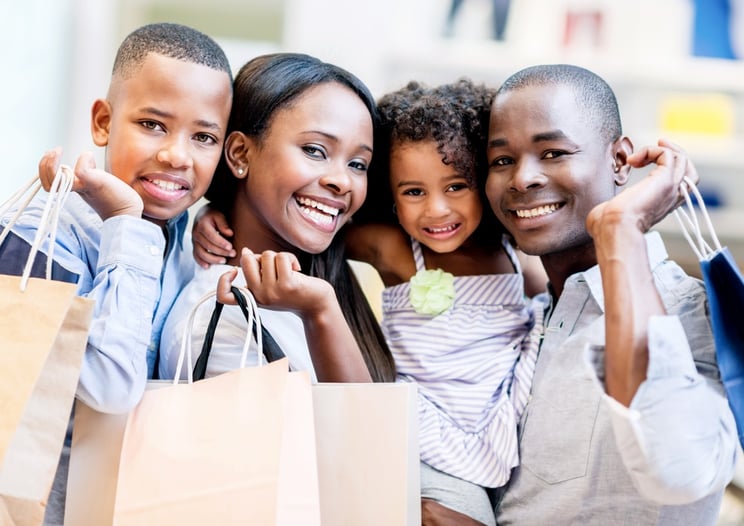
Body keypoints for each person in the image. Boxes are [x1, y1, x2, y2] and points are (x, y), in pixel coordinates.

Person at [191, 77, 546, 525]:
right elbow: (314, 218)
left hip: (494, 430)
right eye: (414, 192)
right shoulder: (394, 248)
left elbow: (545, 308)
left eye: (456, 186)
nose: (437, 210)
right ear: (393, 198)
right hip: (423, 430)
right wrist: (212, 211)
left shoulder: (516, 255)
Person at [421, 64, 738, 525]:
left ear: (619, 160)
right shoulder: (523, 323)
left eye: (552, 152)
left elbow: (678, 473)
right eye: (501, 160)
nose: (522, 179)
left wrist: (621, 228)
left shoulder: (697, 314)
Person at [1, 23, 233, 525]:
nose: (176, 154)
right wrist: (126, 222)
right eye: (153, 124)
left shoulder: (183, 243)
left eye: (203, 136)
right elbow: (109, 388)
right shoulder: (39, 241)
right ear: (103, 123)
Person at [159, 53, 396, 384]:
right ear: (241, 154)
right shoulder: (221, 315)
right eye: (315, 150)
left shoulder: (322, 276)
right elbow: (364, 434)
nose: (342, 181)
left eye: (358, 164)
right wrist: (320, 311)